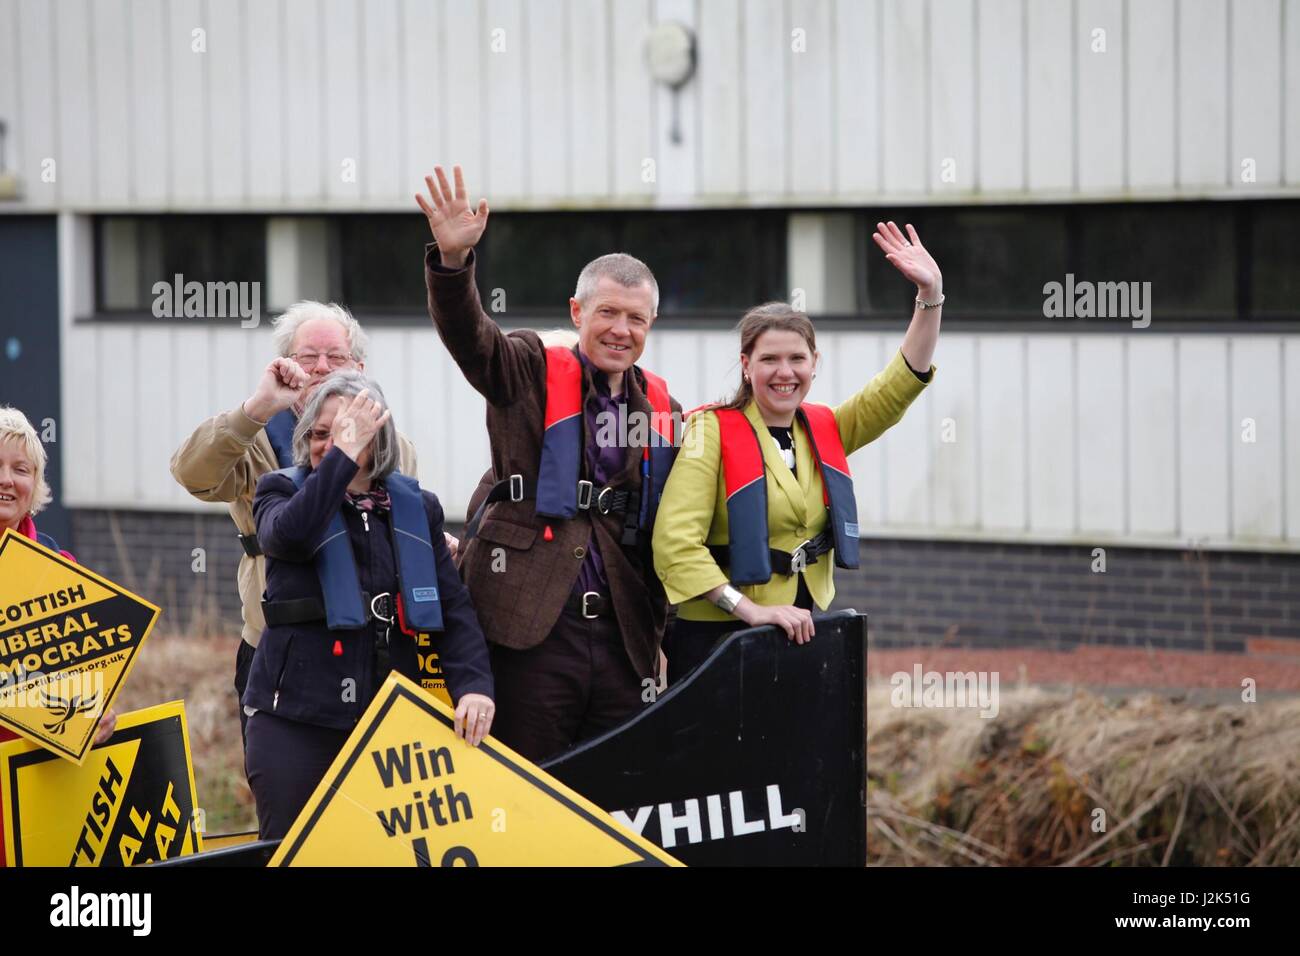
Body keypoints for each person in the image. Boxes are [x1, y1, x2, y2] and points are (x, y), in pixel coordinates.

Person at [417, 165, 682, 762]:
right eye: (607, 313)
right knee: (522, 789)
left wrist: (663, 636)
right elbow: (471, 337)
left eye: (635, 318)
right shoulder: (528, 368)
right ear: (577, 311)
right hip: (526, 629)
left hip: (623, 641)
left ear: (651, 325)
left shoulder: (666, 409)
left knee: (618, 791)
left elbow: (673, 530)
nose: (621, 329)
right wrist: (454, 263)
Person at [652, 221, 943, 682]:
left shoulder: (824, 427)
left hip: (801, 626)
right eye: (769, 359)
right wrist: (746, 608)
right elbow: (674, 545)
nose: (784, 372)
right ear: (746, 366)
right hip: (720, 636)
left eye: (796, 359)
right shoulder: (709, 432)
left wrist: (930, 296)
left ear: (814, 364)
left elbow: (899, 385)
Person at [241, 372, 493, 840]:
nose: (329, 444)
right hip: (295, 721)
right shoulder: (279, 491)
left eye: (347, 431)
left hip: (388, 719)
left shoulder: (418, 507)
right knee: (293, 850)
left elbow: (454, 611)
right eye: (320, 434)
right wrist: (340, 455)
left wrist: (474, 687)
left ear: (380, 439)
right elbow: (290, 535)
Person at [169, 302, 425, 750]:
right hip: (275, 644)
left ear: (360, 368)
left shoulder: (393, 445)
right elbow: (193, 474)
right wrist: (257, 408)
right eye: (308, 358)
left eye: (337, 358)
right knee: (287, 795)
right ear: (287, 365)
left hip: (370, 644)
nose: (322, 368)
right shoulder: (256, 438)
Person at [0, 406, 118, 865]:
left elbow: (85, 684)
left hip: (36, 781)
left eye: (21, 469)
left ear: (36, 487)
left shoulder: (62, 567)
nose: (7, 480)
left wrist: (97, 715)